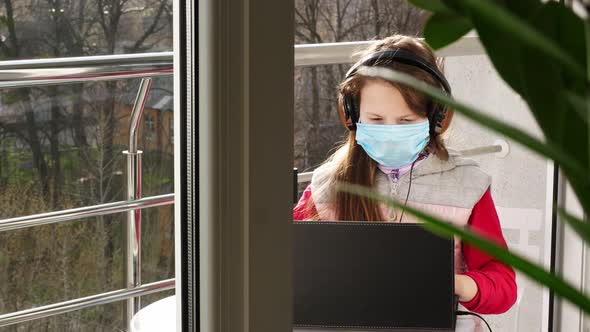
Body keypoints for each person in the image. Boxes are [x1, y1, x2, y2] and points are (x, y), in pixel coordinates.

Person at [293, 34, 517, 315]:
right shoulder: (328, 185)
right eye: (376, 119)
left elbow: (503, 286)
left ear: (436, 118)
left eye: (405, 120)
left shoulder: (466, 186)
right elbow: (286, 264)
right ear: (351, 115)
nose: (389, 130)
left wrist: (455, 284)